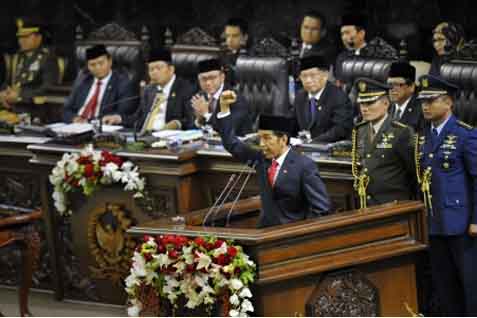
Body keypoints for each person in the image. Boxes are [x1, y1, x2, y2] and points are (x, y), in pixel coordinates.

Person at [216, 90, 330, 228]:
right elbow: (231, 143)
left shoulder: (304, 166)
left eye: (267, 138)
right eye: (260, 138)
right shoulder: (260, 158)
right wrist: (224, 109)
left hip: (291, 236)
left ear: (283, 139)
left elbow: (321, 209)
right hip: (264, 233)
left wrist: (302, 236)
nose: (261, 144)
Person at [415, 74, 477, 316]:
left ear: (449, 102)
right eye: (423, 102)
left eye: (432, 101)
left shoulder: (465, 134)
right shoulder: (423, 135)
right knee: (444, 286)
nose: (426, 107)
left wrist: (475, 219)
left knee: (470, 285)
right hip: (434, 221)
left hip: (462, 223)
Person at [351, 78, 415, 208]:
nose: (364, 109)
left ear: (386, 103)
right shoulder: (360, 130)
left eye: (369, 103)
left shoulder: (401, 132)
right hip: (365, 203)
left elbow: (413, 172)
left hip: (392, 204)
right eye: (362, 104)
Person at [102, 49, 194, 132]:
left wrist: (177, 123)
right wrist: (119, 118)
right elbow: (138, 118)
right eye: (151, 69)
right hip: (146, 137)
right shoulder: (149, 90)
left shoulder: (186, 88)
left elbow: (191, 120)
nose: (154, 72)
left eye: (158, 68)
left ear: (171, 69)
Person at [63, 44, 136, 123]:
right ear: (88, 66)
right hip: (77, 127)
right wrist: (74, 119)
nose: (97, 68)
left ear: (110, 62)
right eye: (92, 65)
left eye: (101, 63)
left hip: (101, 128)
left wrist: (96, 121)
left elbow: (123, 112)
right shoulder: (82, 81)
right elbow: (66, 110)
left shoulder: (123, 83)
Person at [0, 18, 58, 108]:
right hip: (11, 107)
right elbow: (8, 82)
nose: (22, 41)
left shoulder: (47, 58)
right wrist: (3, 92)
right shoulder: (16, 57)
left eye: (26, 37)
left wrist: (20, 95)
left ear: (39, 38)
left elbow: (49, 88)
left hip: (33, 108)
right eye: (20, 37)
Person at [294, 55, 353, 142]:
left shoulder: (338, 97)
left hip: (329, 149)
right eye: (304, 76)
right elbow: (293, 124)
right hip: (303, 147)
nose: (308, 80)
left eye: (312, 75)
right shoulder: (300, 96)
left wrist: (313, 141)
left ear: (325, 75)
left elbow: (340, 130)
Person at [191, 58, 252, 136]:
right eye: (203, 79)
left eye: (212, 78)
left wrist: (206, 114)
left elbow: (228, 129)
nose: (208, 83)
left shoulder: (233, 97)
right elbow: (189, 128)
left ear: (222, 77)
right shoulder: (199, 97)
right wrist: (199, 120)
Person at [387, 61, 424, 132]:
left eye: (397, 84)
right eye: (390, 84)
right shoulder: (385, 106)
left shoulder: (421, 110)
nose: (392, 89)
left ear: (411, 87)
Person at [334, 13, 368, 85]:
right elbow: (339, 84)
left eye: (347, 33)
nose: (344, 38)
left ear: (361, 33)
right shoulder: (341, 58)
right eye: (342, 34)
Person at [220, 17, 250, 86]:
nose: (230, 40)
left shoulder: (249, 59)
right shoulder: (221, 55)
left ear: (245, 38)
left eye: (235, 36)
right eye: (227, 36)